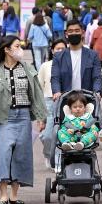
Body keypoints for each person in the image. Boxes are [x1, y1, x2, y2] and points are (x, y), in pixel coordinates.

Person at [0, 36, 48, 204]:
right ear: (7, 49)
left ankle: (14, 195)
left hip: (23, 116)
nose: (20, 49)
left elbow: (36, 94)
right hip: (4, 117)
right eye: (17, 46)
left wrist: (41, 117)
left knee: (21, 154)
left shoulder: (28, 68)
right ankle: (3, 195)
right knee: (4, 152)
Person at [50, 19, 102, 99]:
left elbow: (97, 77)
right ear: (66, 34)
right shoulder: (58, 56)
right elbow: (55, 77)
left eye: (77, 30)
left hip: (87, 98)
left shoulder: (93, 55)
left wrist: (97, 91)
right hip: (66, 99)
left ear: (82, 33)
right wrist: (56, 91)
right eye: (70, 31)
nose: (74, 33)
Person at [38, 39, 66, 168]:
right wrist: (40, 117)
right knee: (47, 136)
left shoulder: (69, 65)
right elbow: (39, 87)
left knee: (62, 133)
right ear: (52, 50)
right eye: (57, 48)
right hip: (49, 101)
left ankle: (58, 160)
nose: (60, 51)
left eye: (63, 48)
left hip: (66, 101)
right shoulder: (45, 66)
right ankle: (48, 154)